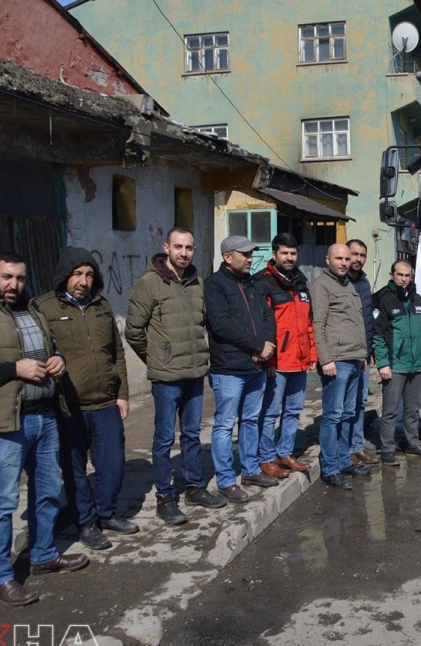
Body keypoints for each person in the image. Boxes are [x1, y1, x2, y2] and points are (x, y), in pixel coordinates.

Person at [0, 252, 88, 607]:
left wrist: (58, 360)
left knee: (48, 490)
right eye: (7, 277)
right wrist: (14, 368)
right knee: (2, 501)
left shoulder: (33, 310)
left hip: (45, 415)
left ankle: (42, 555)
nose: (14, 285)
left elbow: (48, 348)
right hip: (6, 421)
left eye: (20, 278)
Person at [32, 247, 137, 551]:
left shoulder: (102, 306)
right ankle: (86, 523)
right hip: (68, 406)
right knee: (74, 470)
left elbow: (116, 352)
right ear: (64, 275)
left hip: (105, 402)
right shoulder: (43, 307)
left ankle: (106, 514)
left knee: (113, 464)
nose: (83, 280)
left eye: (89, 274)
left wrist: (122, 394)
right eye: (77, 273)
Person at [127, 227, 226, 525]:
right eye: (178, 247)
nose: (184, 253)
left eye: (189, 248)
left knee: (193, 434)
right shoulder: (148, 283)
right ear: (166, 248)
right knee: (163, 439)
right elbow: (133, 331)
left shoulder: (196, 282)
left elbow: (203, 324)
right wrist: (158, 359)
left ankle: (193, 487)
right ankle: (164, 497)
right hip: (167, 377)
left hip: (195, 373)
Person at [204, 235, 277, 503]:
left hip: (255, 365)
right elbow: (221, 325)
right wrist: (258, 346)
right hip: (229, 368)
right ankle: (225, 480)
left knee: (251, 420)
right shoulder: (214, 285)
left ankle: (250, 469)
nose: (249, 258)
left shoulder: (253, 284)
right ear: (227, 257)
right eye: (244, 254)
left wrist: (268, 344)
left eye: (250, 254)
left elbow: (267, 315)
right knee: (224, 424)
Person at [311, 243, 373, 490]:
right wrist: (325, 359)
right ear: (327, 259)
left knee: (348, 413)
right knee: (333, 416)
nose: (344, 262)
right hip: (336, 361)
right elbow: (318, 324)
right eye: (339, 258)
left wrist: (362, 356)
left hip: (355, 358)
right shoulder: (321, 286)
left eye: (347, 258)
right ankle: (330, 468)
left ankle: (343, 459)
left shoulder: (349, 285)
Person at [256, 233, 314, 476]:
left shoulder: (300, 281)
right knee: (270, 413)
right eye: (284, 253)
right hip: (277, 362)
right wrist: (267, 359)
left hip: (299, 362)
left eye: (293, 253)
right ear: (274, 254)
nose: (289, 258)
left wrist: (311, 353)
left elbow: (309, 321)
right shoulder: (263, 283)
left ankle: (285, 452)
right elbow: (261, 326)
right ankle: (266, 458)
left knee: (293, 411)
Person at [373, 260, 421, 466]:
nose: (404, 279)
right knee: (390, 411)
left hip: (416, 365)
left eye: (407, 275)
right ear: (392, 275)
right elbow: (378, 335)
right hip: (395, 365)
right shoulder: (385, 299)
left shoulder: (417, 300)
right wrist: (382, 363)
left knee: (412, 408)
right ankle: (388, 449)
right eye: (400, 275)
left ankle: (412, 444)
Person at [346, 238, 378, 465]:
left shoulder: (364, 283)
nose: (358, 259)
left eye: (362, 255)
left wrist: (371, 348)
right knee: (344, 404)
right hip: (344, 354)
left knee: (360, 401)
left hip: (363, 354)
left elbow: (368, 319)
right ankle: (344, 447)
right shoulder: (338, 282)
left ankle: (356, 445)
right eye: (353, 254)